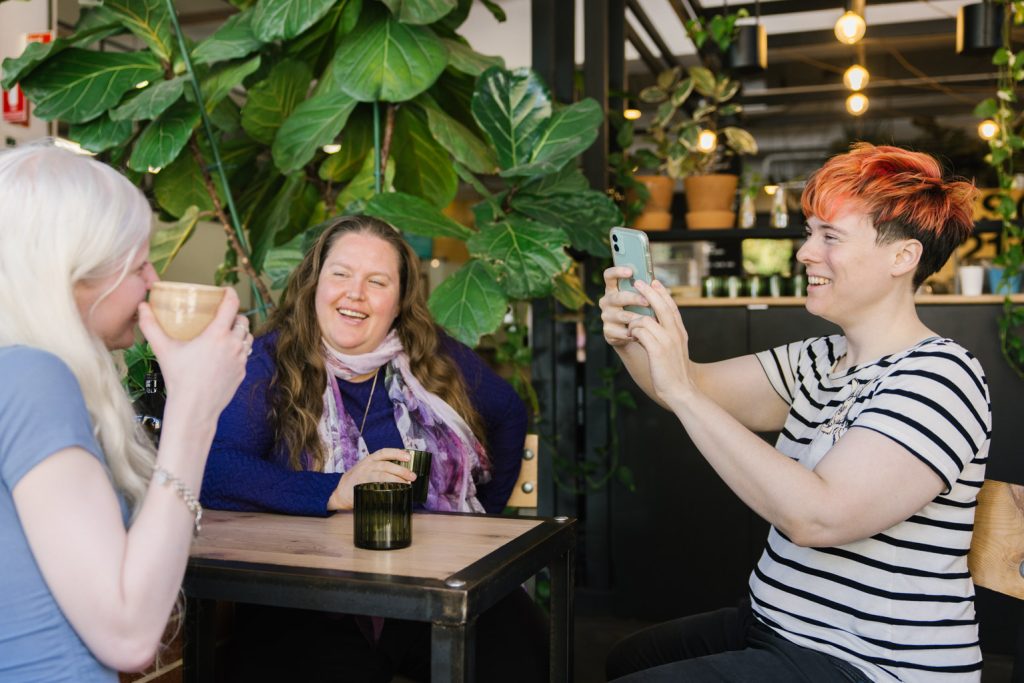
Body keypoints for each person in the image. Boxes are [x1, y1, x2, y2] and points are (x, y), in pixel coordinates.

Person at [600, 143, 990, 682]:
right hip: (780, 623)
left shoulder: (941, 377)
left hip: (871, 663)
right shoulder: (818, 358)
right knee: (625, 660)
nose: (806, 253)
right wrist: (632, 339)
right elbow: (688, 386)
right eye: (810, 234)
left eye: (830, 237)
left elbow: (817, 518)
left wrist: (683, 389)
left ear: (903, 256)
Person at [200, 215, 545, 682]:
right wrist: (335, 490)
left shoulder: (429, 356)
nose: (354, 294)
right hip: (311, 597)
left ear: (400, 301)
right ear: (313, 282)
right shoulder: (270, 362)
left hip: (433, 592)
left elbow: (508, 413)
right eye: (340, 274)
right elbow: (215, 470)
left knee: (521, 646)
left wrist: (477, 523)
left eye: (377, 281)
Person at [0, 143, 250, 681]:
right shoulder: (31, 378)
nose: (153, 283)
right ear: (72, 274)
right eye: (139, 264)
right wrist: (194, 407)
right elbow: (128, 634)